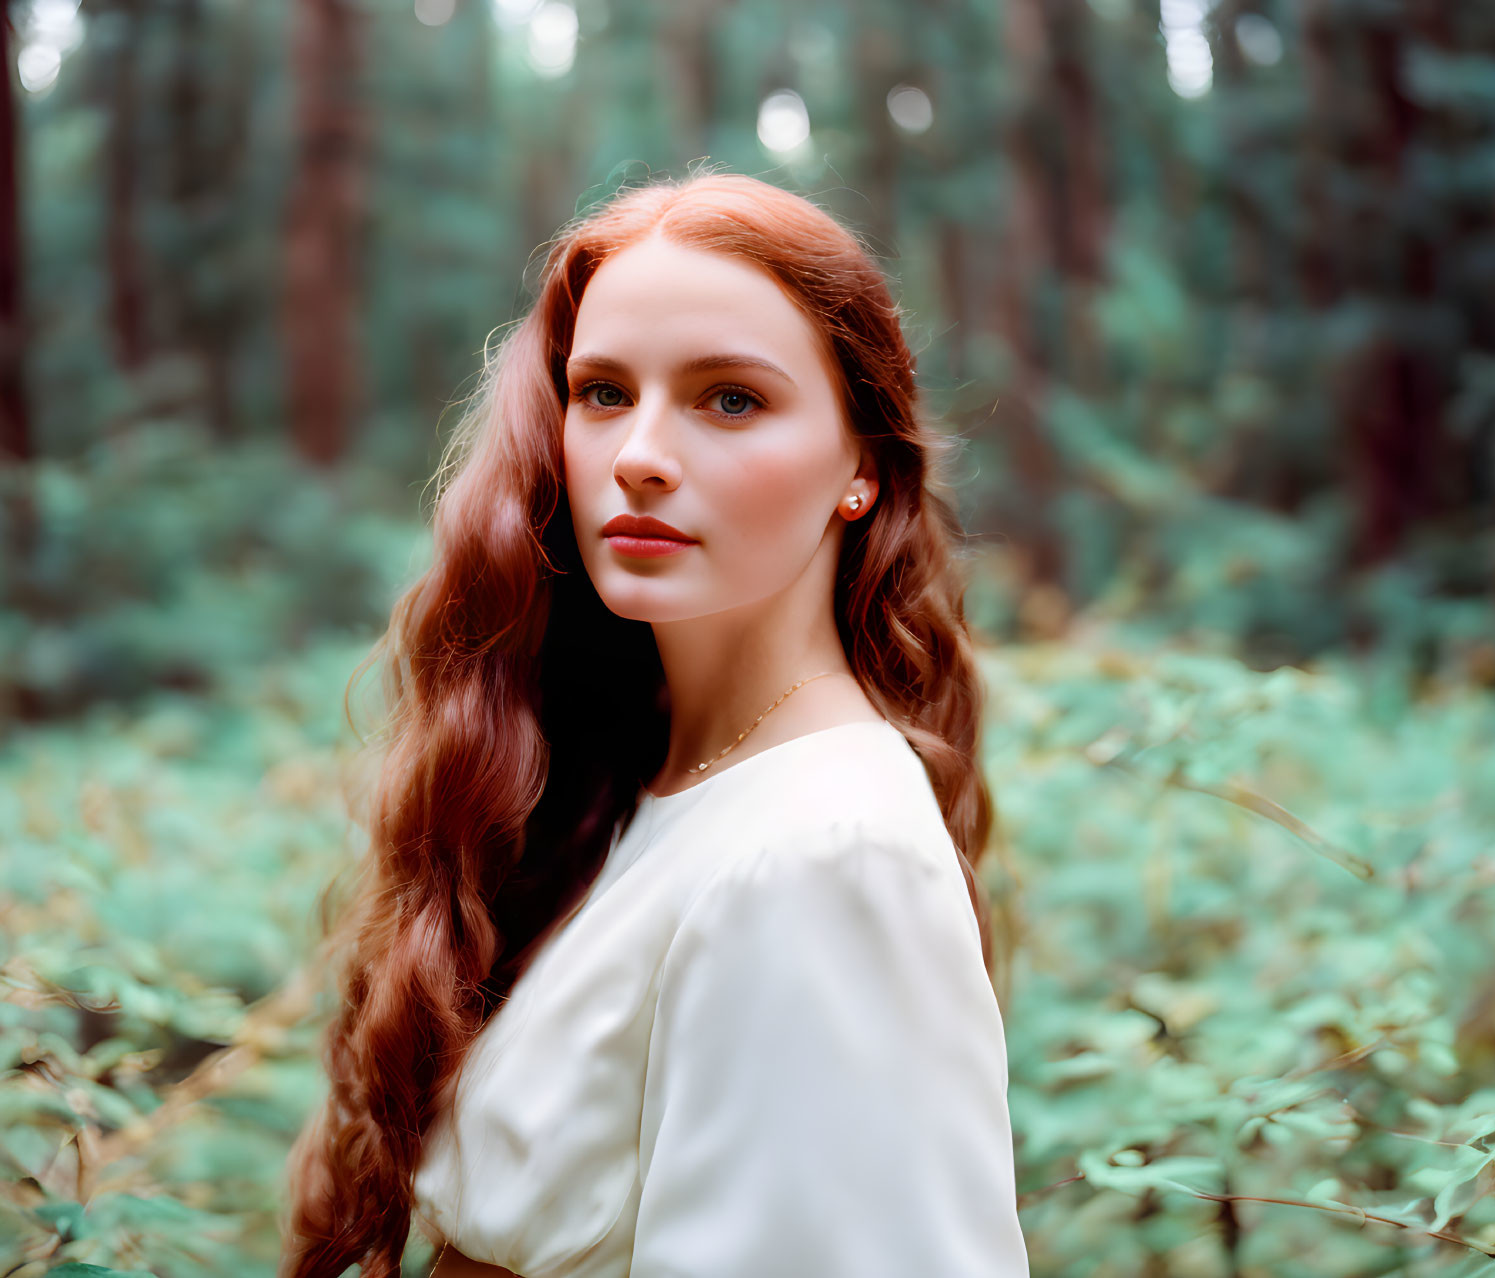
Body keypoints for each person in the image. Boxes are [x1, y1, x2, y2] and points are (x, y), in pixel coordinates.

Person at [277, 169, 1030, 1278]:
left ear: (859, 468)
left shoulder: (825, 850)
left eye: (730, 398)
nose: (636, 454)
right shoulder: (646, 781)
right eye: (602, 393)